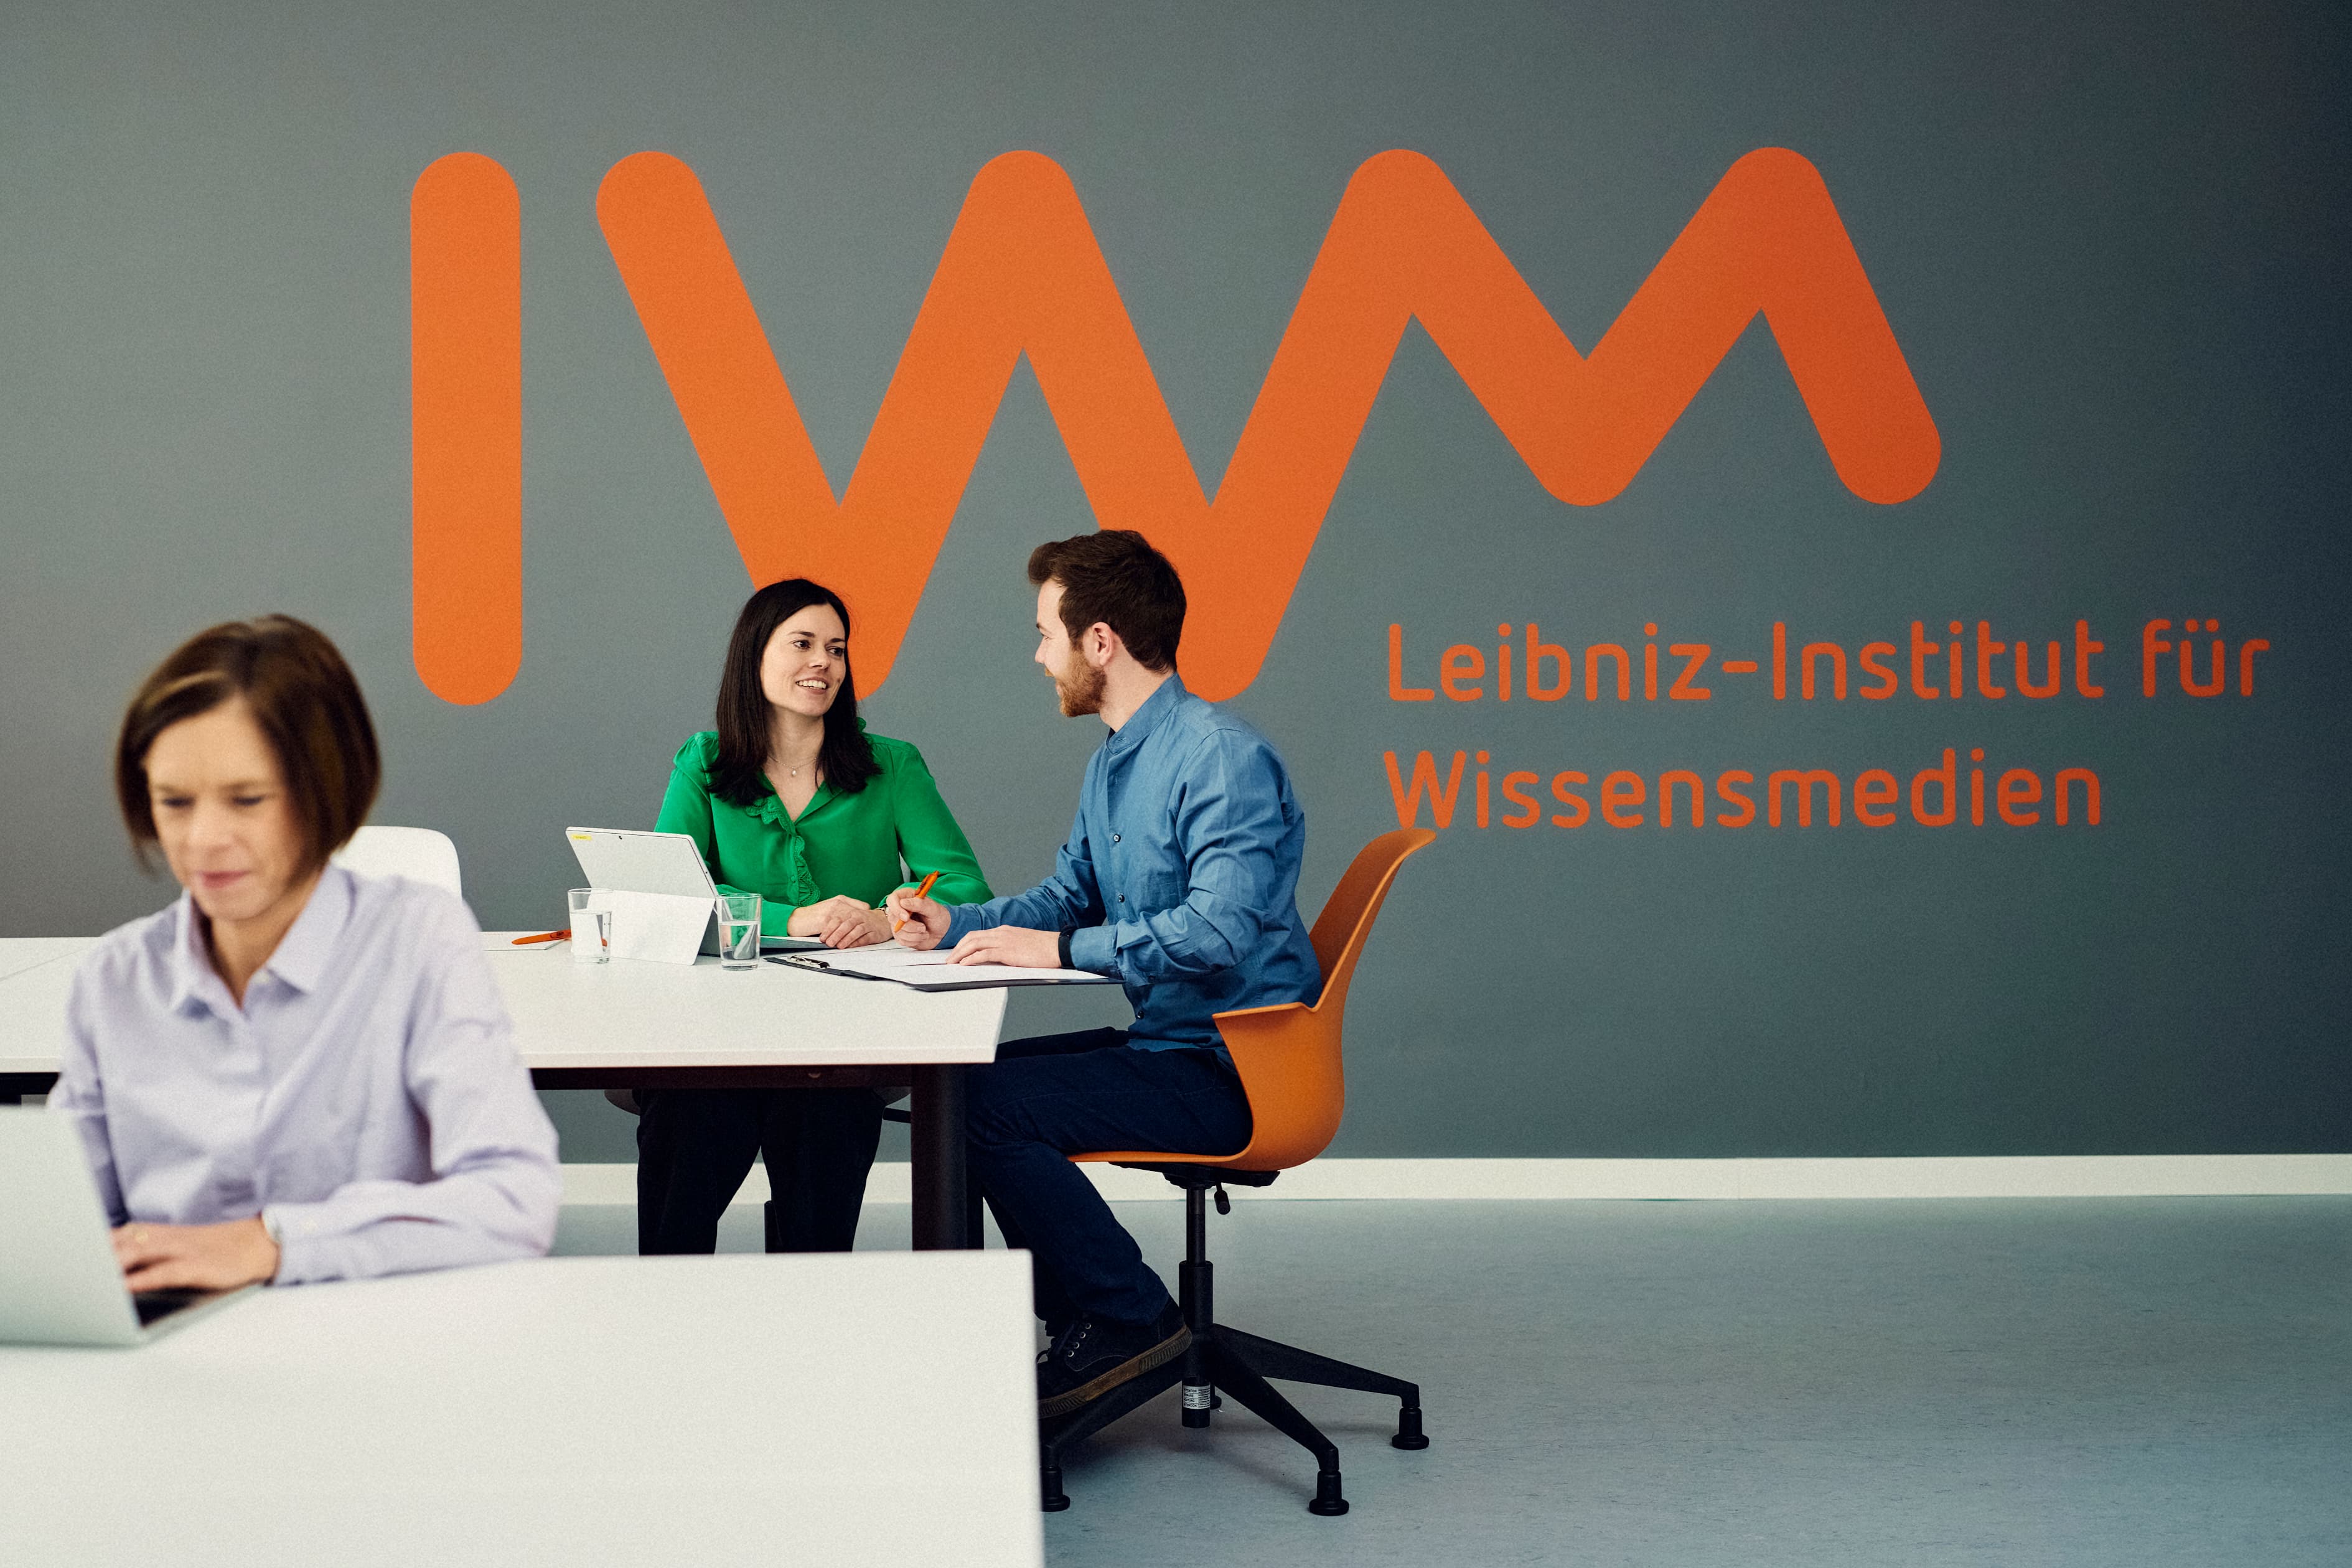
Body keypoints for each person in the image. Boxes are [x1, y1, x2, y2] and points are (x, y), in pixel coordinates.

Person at [888, 531, 1320, 1418]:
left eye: (1046, 631)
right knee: (963, 1089)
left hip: (1234, 1069)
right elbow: (1070, 894)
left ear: (1100, 641)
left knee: (981, 1111)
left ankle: (1123, 1319)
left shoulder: (1219, 758)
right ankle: (1089, 1322)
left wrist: (1053, 951)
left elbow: (1215, 933)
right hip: (1172, 1046)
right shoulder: (1114, 763)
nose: (1037, 654)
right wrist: (957, 926)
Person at [52, 616, 560, 1292]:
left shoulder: (418, 939)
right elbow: (57, 1224)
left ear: (326, 790)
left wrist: (274, 1243)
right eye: (173, 802)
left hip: (367, 1345)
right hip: (169, 1358)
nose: (203, 839)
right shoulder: (115, 979)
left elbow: (514, 1200)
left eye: (247, 800)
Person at [637, 577, 990, 1254]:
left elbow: (966, 882)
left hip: (845, 1032)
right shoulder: (704, 762)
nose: (823, 663)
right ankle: (663, 1317)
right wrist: (795, 920)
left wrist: (890, 921)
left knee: (825, 1120)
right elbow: (669, 896)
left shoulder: (892, 764)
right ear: (754, 657)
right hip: (716, 1032)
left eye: (836, 649)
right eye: (801, 643)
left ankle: (811, 1313)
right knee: (684, 1115)